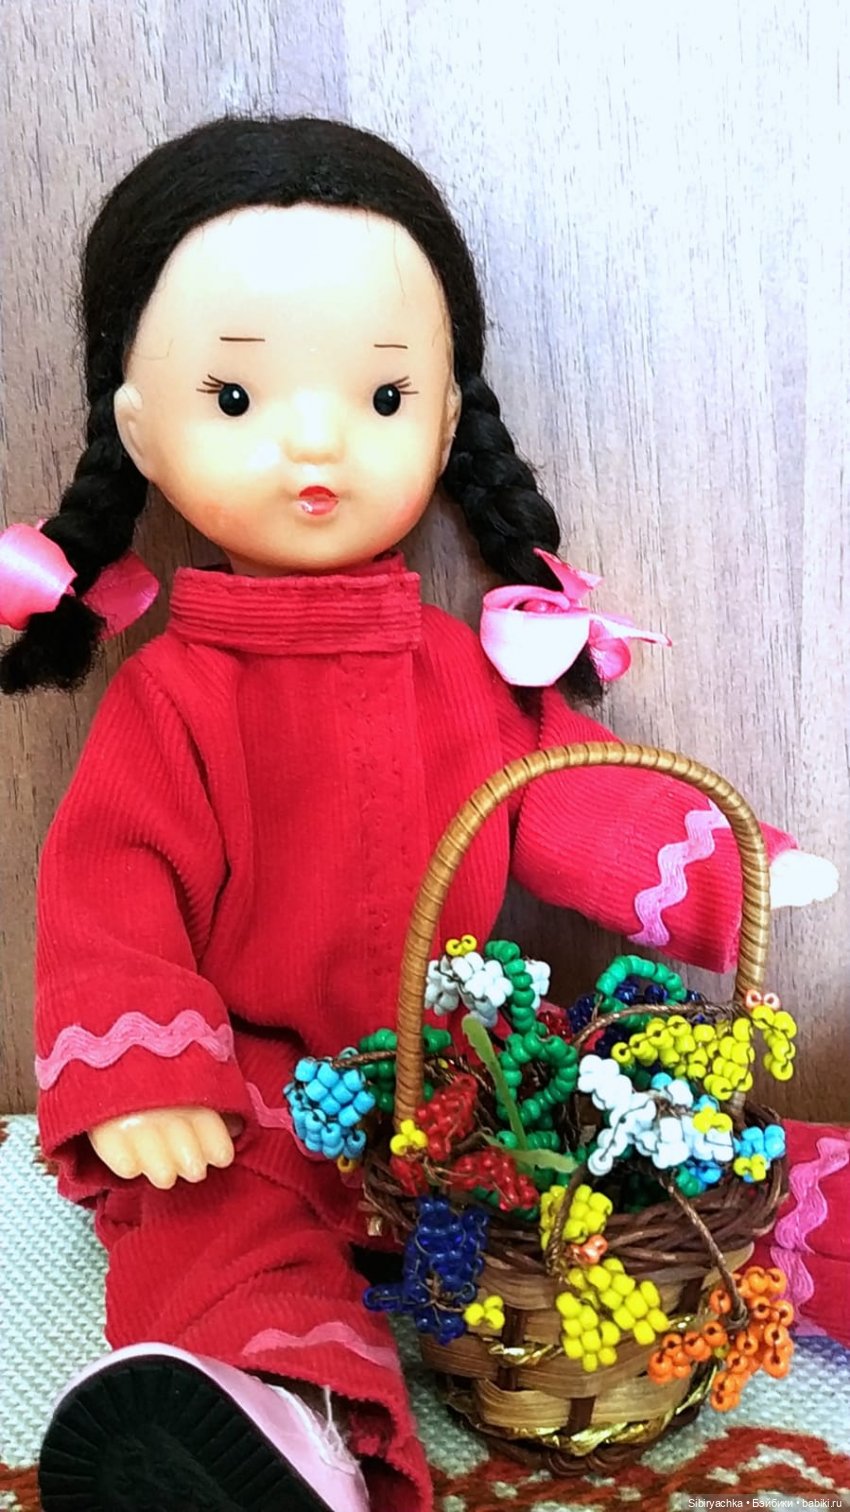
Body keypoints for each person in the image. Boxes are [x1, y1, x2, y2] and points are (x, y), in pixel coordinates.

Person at [0, 116, 837, 1512]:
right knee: (215, 1233)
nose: (314, 440)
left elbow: (568, 799)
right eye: (235, 398)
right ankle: (275, 1419)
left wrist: (725, 874)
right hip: (260, 1103)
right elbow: (110, 882)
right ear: (136, 427)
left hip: (473, 1097)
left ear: (444, 422)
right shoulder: (171, 699)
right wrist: (144, 1069)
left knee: (687, 1171)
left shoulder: (459, 672)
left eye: (382, 397)